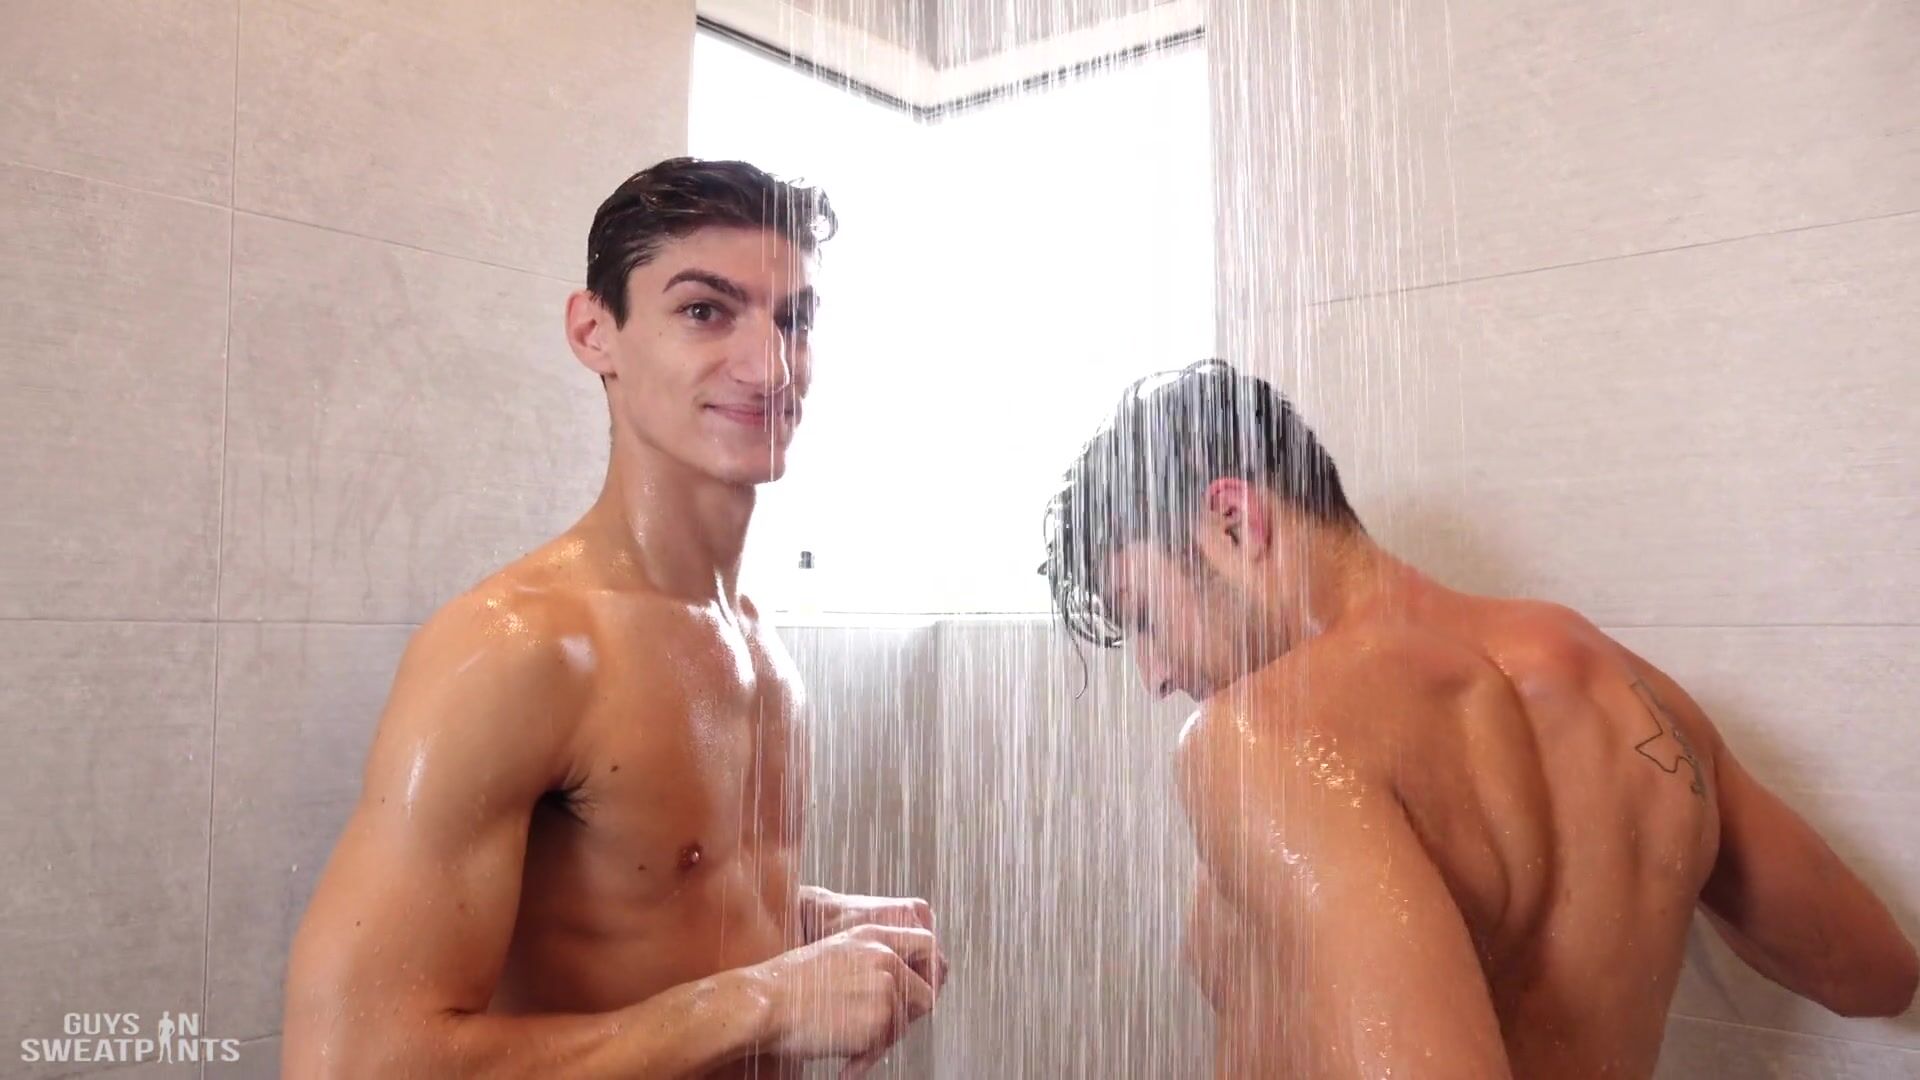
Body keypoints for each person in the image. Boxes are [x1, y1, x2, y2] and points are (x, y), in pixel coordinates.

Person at [1040, 359, 1916, 1078]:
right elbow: (1873, 972)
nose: (1154, 675)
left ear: (1233, 521)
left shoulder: (1265, 736)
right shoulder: (1627, 694)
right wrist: (1663, 854)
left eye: (1144, 616)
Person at [284, 158, 945, 1079]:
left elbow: (630, 906)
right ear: (595, 333)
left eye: (793, 320)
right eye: (705, 311)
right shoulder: (520, 649)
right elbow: (354, 1061)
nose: (771, 366)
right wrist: (766, 998)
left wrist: (796, 923)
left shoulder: (756, 643)